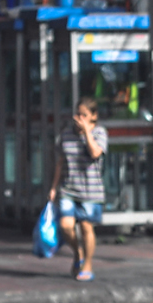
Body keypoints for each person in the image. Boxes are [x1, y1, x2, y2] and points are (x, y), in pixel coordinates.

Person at [49, 96, 108, 282]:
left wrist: (87, 133)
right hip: (69, 189)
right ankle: (78, 252)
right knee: (65, 226)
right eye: (78, 114)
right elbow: (60, 162)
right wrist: (54, 187)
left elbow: (95, 153)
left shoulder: (99, 133)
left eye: (84, 115)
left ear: (93, 116)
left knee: (86, 227)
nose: (79, 119)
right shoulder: (66, 134)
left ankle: (88, 264)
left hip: (91, 191)